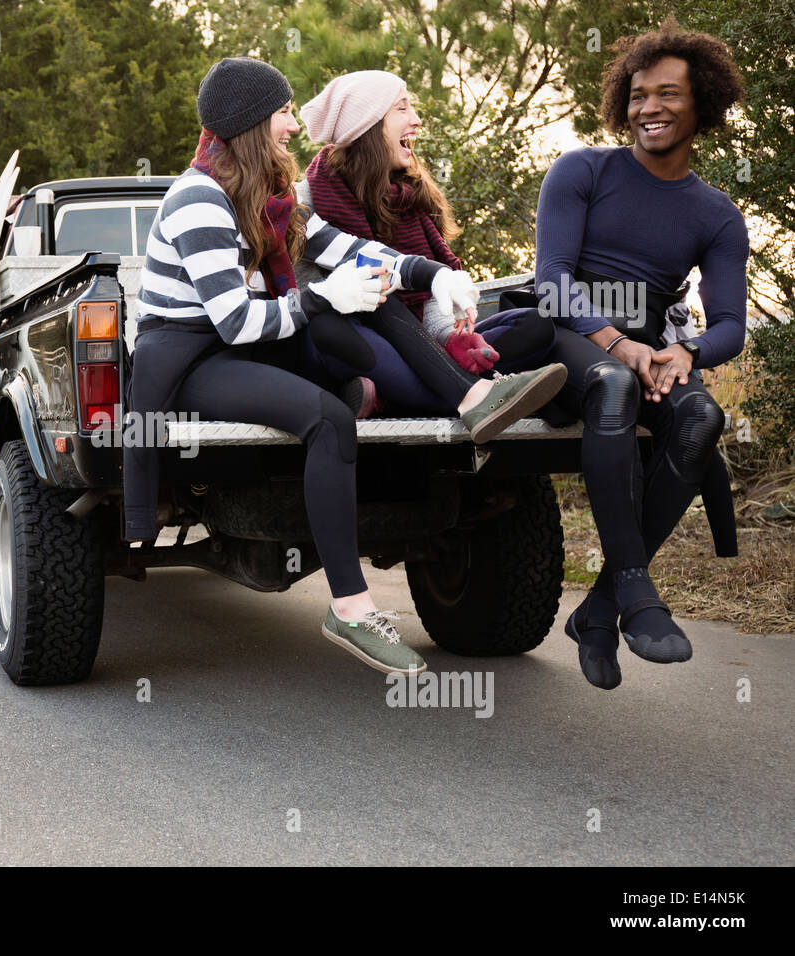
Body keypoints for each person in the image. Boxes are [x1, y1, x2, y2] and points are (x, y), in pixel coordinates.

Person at [124, 57, 558, 675]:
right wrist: (326, 296)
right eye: (281, 112)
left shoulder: (273, 197)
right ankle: (352, 611)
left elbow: (350, 250)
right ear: (251, 122)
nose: (293, 126)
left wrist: (435, 275)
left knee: (368, 280)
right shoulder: (197, 199)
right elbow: (236, 323)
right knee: (327, 417)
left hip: (248, 341)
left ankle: (468, 400)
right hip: (196, 356)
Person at [533, 20, 748, 689]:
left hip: (647, 343)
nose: (648, 106)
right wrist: (617, 342)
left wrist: (687, 352)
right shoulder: (583, 169)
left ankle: (598, 611)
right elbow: (552, 282)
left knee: (700, 419)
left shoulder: (716, 214)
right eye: (637, 94)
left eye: (667, 94)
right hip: (566, 333)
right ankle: (633, 588)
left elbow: (733, 325)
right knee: (615, 385)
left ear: (702, 104)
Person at [295, 71, 561, 415]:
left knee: (535, 324)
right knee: (374, 285)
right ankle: (479, 395)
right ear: (367, 125)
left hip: (418, 342)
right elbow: (326, 293)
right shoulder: (307, 200)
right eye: (402, 108)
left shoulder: (411, 194)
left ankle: (401, 395)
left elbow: (431, 293)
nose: (416, 120)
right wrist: (426, 280)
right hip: (351, 339)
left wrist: (449, 336)